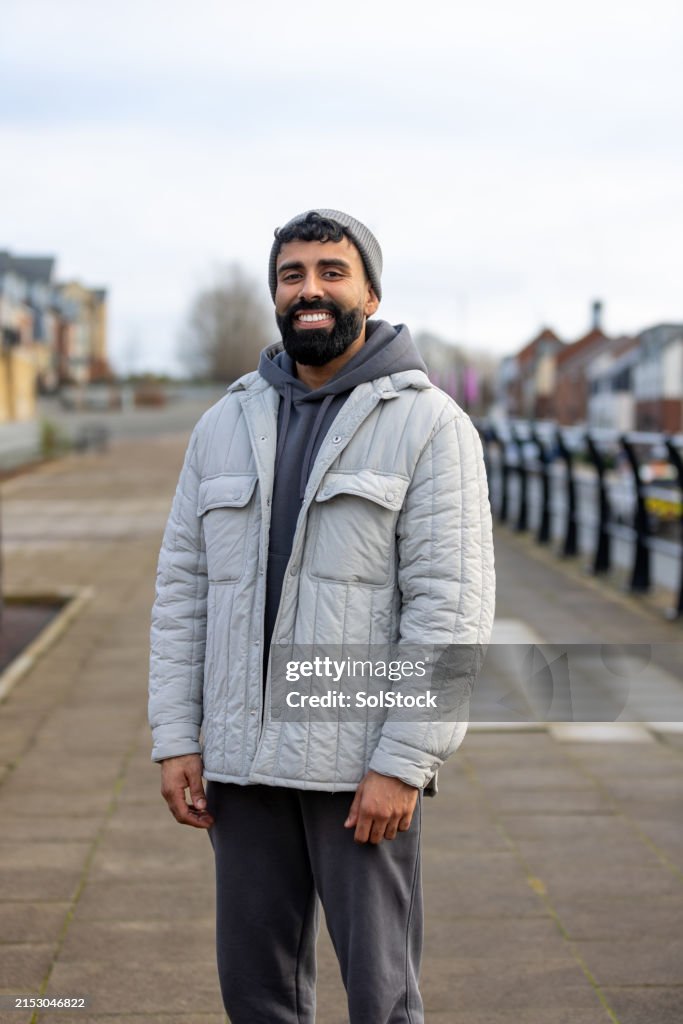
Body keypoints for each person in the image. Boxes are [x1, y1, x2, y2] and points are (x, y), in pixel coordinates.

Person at [148, 209, 495, 1023]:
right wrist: (177, 737)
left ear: (369, 292)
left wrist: (403, 762)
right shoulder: (223, 423)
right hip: (238, 766)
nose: (309, 290)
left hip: (356, 769)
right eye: (291, 274)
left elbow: (451, 612)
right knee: (255, 996)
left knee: (381, 999)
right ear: (275, 295)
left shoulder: (430, 425)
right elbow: (180, 596)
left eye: (331, 272)